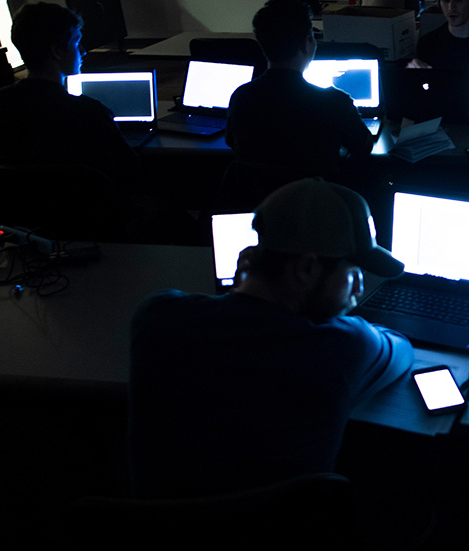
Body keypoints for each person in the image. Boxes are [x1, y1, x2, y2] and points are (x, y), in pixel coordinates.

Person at [128, 177, 414, 499]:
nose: (359, 288)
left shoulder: (156, 318)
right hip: (278, 545)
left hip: (161, 540)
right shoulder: (341, 348)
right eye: (352, 272)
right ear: (307, 268)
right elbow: (402, 349)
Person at [0, 2, 139, 190]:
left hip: (22, 211)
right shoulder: (89, 112)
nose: (83, 51)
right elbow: (129, 170)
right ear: (57, 51)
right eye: (76, 43)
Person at [224, 0, 373, 192]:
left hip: (261, 213)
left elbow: (233, 144)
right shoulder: (334, 102)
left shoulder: (241, 97)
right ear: (307, 43)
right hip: (319, 211)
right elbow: (364, 147)